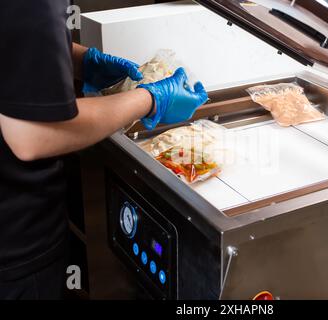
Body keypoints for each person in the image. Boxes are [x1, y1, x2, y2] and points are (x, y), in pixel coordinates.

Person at [0, 0, 208, 300]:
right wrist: (149, 99)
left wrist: (80, 60)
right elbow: (33, 136)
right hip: (15, 248)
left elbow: (13, 39)